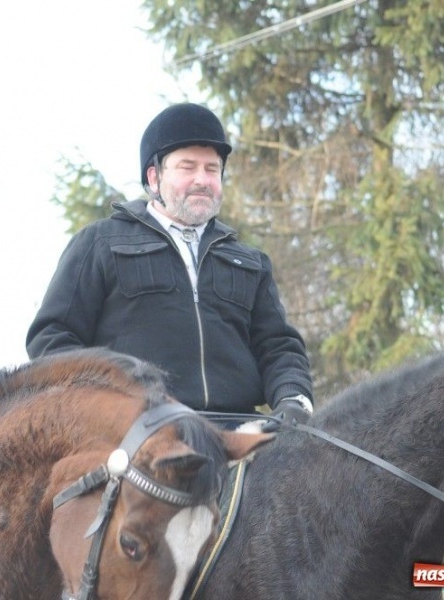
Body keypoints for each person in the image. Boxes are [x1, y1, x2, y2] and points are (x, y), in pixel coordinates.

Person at [26, 102, 313, 430]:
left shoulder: (251, 261)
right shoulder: (100, 243)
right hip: (137, 435)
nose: (202, 180)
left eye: (212, 169)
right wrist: (102, 408)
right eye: (187, 167)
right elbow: (52, 338)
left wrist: (294, 399)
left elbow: (279, 347)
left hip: (240, 432)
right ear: (154, 177)